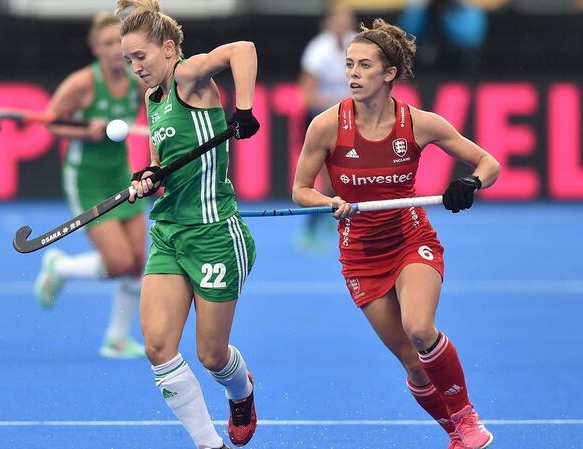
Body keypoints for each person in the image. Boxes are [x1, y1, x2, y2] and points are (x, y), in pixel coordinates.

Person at [292, 18, 500, 449]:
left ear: (389, 74)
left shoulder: (420, 123)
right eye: (349, 64)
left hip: (410, 239)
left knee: (420, 330)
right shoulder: (326, 126)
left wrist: (471, 184)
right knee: (412, 361)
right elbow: (299, 190)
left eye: (364, 66)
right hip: (360, 255)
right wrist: (328, 202)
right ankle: (453, 433)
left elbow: (488, 163)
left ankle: (465, 416)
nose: (352, 73)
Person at [116, 1, 261, 448]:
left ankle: (242, 393)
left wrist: (245, 108)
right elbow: (160, 163)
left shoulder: (188, 75)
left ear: (169, 47)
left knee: (212, 355)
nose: (135, 67)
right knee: (158, 347)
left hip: (214, 233)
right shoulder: (151, 98)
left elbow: (244, 49)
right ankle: (208, 443)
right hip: (169, 232)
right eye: (128, 60)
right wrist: (147, 175)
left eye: (141, 56)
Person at [34, 11, 147, 360]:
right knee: (117, 262)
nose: (116, 50)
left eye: (120, 43)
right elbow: (49, 123)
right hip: (86, 179)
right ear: (96, 47)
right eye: (108, 43)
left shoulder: (136, 80)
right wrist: (85, 130)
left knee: (138, 261)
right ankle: (60, 269)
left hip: (120, 173)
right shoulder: (82, 83)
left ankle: (116, 339)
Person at [297, 0, 357, 252]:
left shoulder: (359, 46)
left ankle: (349, 227)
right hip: (321, 123)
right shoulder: (317, 50)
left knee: (350, 179)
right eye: (338, 18)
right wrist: (341, 103)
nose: (342, 23)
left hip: (353, 121)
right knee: (328, 183)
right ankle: (311, 230)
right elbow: (308, 96)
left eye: (347, 18)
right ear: (329, 22)